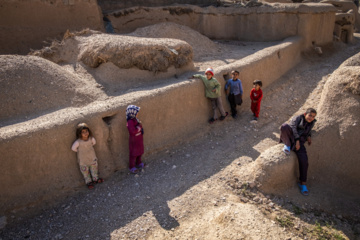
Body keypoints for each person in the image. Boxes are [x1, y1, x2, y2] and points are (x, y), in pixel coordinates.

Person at [279, 108, 317, 196]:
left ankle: (303, 184)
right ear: (305, 114)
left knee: (304, 161)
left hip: (300, 143)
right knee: (284, 126)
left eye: (313, 116)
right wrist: (296, 140)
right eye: (310, 115)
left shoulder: (311, 123)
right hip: (292, 138)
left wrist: (309, 136)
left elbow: (308, 131)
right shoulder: (297, 118)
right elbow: (293, 128)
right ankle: (287, 145)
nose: (311, 118)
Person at [71, 123, 104, 190]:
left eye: (86, 131)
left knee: (94, 170)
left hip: (92, 158)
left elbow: (94, 143)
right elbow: (73, 148)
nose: (85, 133)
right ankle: (89, 182)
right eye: (83, 132)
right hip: (83, 161)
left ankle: (95, 179)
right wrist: (80, 152)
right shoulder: (78, 142)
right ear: (79, 133)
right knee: (85, 173)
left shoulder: (91, 139)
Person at [126, 105, 145, 174]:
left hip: (139, 139)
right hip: (134, 141)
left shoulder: (135, 119)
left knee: (139, 151)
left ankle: (138, 163)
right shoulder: (130, 122)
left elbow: (139, 125)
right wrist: (138, 128)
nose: (137, 114)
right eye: (136, 113)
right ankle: (132, 166)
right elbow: (132, 131)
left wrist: (139, 127)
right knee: (133, 154)